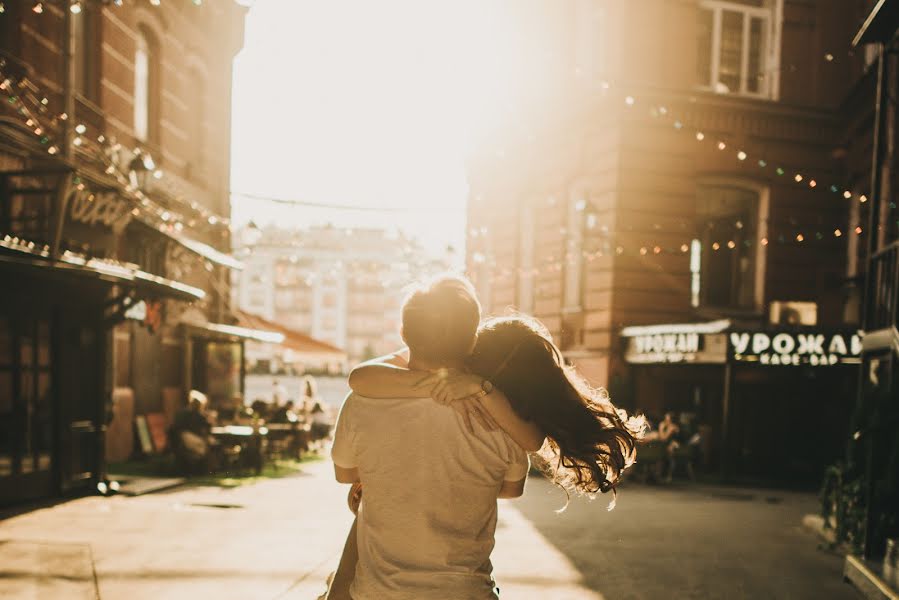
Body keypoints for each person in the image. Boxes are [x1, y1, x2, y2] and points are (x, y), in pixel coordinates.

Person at [329, 276, 532, 599]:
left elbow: (348, 476)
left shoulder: (361, 403)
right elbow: (510, 489)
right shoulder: (500, 415)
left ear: (403, 333)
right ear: (471, 343)